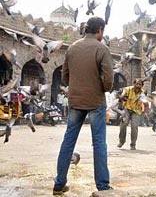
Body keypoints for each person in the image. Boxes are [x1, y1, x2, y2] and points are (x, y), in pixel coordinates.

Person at [53, 17, 114, 195]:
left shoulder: (72, 48)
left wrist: (77, 85)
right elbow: (109, 80)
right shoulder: (102, 49)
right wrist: (101, 88)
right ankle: (102, 186)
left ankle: (59, 183)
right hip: (95, 102)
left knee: (68, 141)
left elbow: (64, 78)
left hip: (75, 101)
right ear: (100, 30)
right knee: (99, 143)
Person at [117, 78, 144, 150]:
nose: (138, 86)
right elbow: (120, 96)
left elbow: (145, 102)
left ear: (142, 86)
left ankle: (133, 144)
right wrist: (121, 97)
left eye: (140, 84)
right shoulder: (128, 89)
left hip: (136, 111)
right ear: (134, 84)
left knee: (134, 127)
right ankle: (121, 141)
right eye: (137, 84)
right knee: (123, 125)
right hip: (127, 109)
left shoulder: (142, 93)